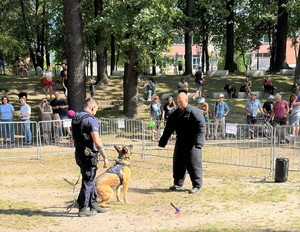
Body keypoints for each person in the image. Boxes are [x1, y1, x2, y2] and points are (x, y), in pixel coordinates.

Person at [158, 92, 206, 194]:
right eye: (178, 101)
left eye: (181, 101)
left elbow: (201, 127)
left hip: (192, 143)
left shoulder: (195, 112)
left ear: (186, 100)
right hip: (180, 142)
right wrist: (162, 142)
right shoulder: (174, 115)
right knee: (178, 163)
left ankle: (196, 185)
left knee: (194, 164)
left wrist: (199, 143)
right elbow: (168, 129)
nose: (179, 103)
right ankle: (178, 183)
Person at [72, 98, 108, 217]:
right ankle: (83, 208)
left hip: (79, 153)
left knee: (90, 178)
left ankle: (93, 203)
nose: (95, 112)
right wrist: (104, 156)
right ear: (92, 107)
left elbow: (73, 138)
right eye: (96, 110)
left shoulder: (76, 118)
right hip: (89, 154)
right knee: (88, 180)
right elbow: (97, 141)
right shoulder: (91, 120)